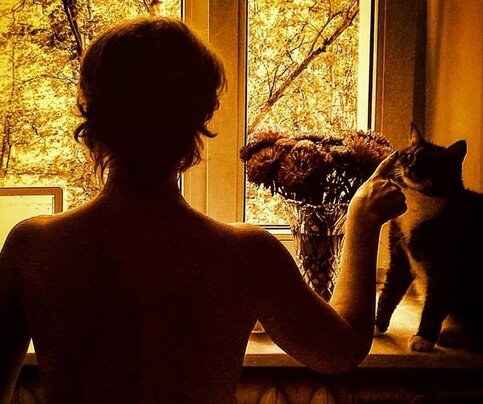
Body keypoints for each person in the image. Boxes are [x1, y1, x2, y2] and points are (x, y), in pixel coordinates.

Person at [0, 16, 406, 404]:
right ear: (201, 116)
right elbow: (340, 351)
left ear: (91, 113)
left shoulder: (33, 248)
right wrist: (362, 218)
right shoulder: (245, 254)